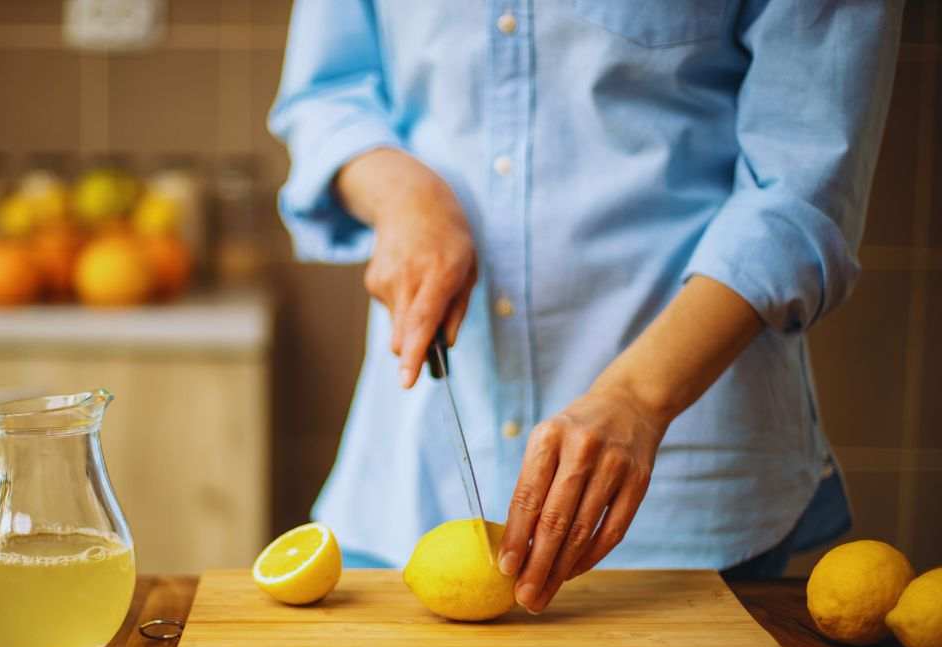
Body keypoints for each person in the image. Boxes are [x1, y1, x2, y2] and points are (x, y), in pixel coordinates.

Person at [269, 0, 903, 612]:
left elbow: (801, 187)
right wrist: (401, 192)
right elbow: (325, 95)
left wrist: (640, 396)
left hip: (682, 486)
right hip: (410, 478)